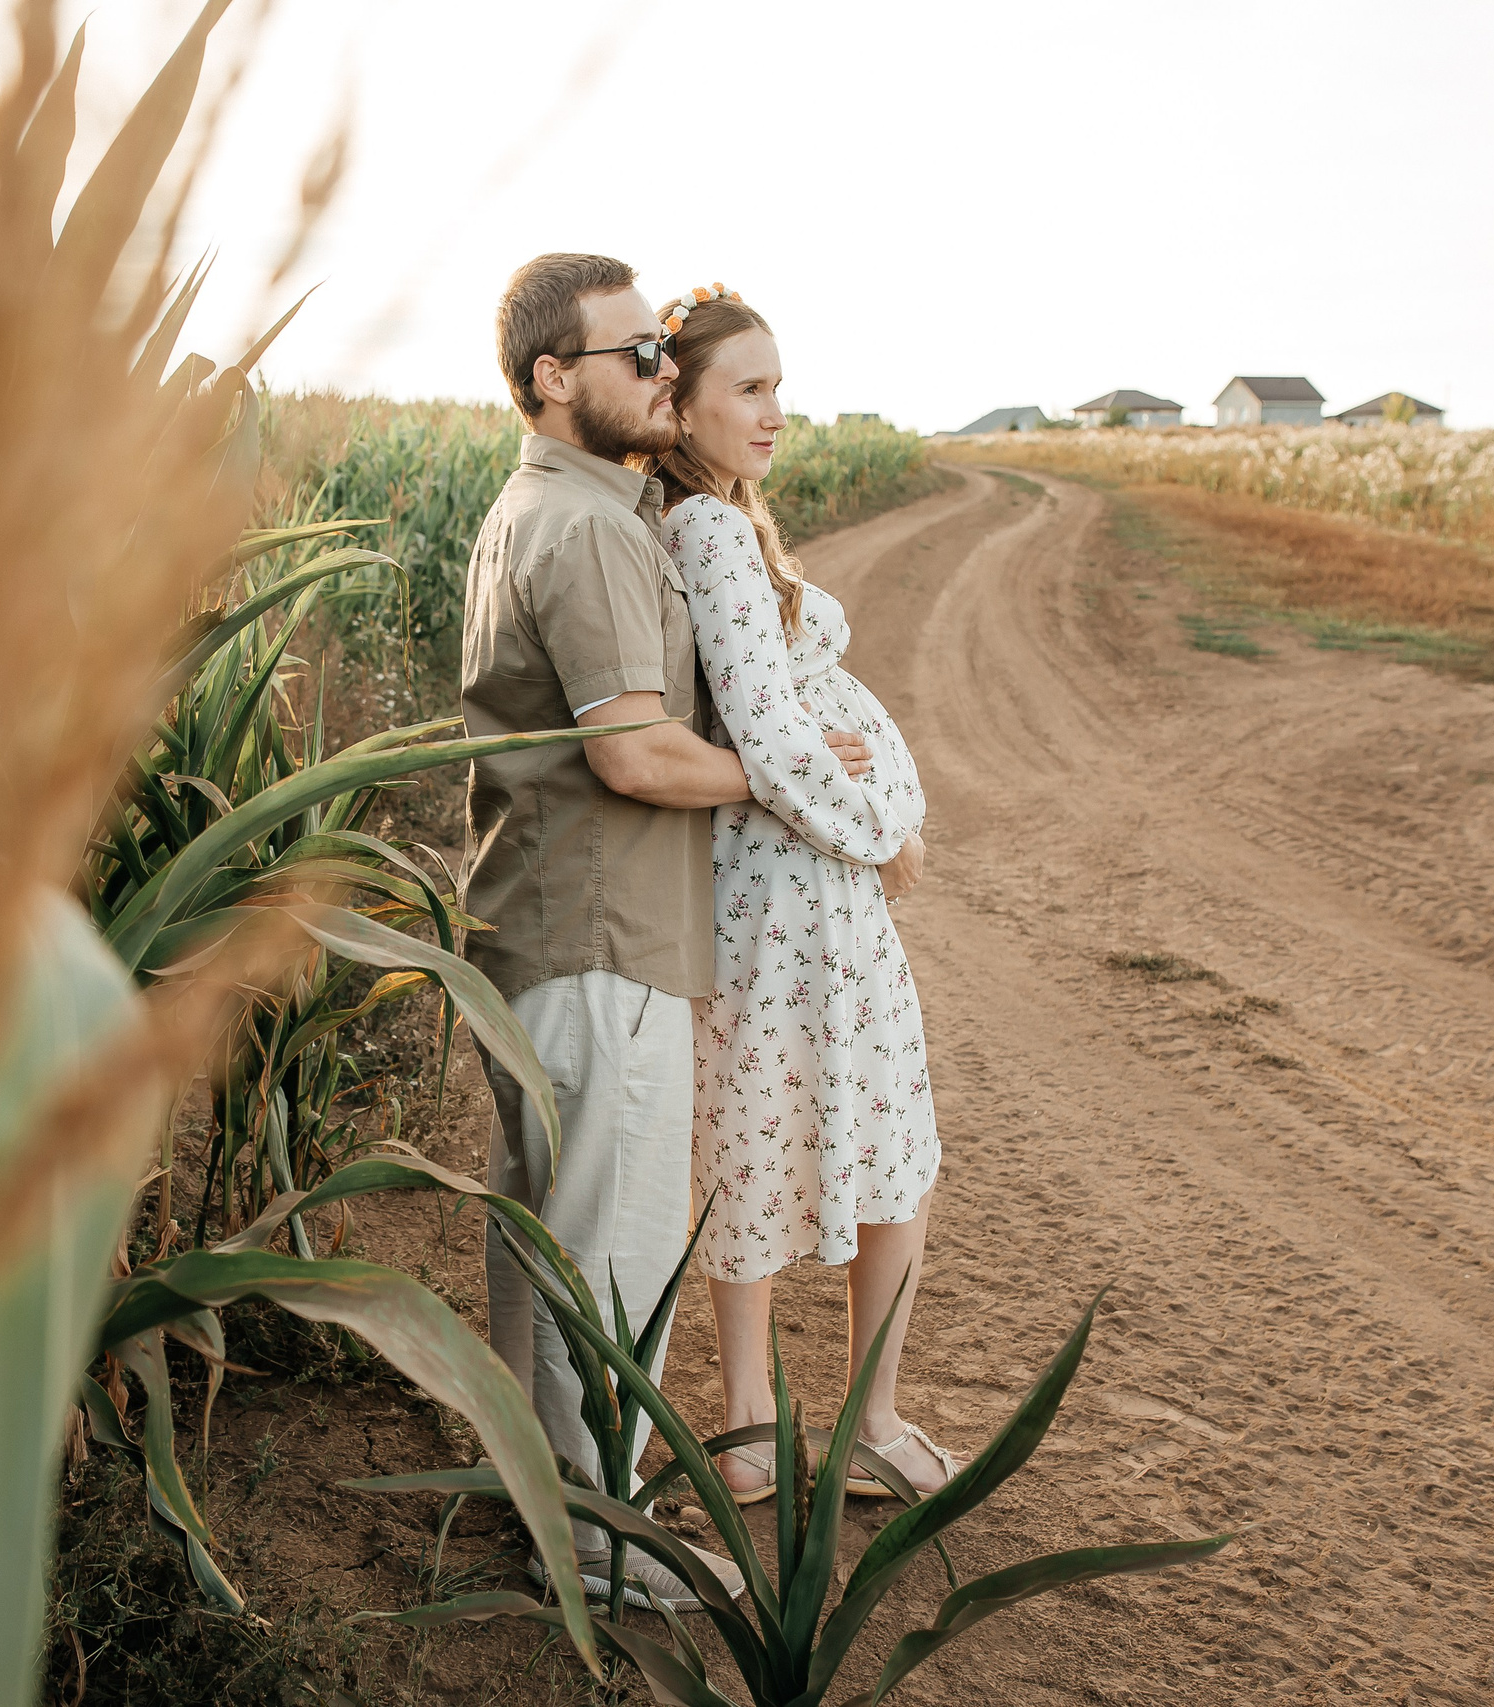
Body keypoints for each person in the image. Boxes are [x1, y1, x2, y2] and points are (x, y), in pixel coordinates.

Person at [459, 255, 871, 1608]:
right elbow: (634, 753)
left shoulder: (548, 507)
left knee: (546, 1236)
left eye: (660, 352)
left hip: (544, 926)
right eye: (634, 354)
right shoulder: (584, 529)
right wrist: (783, 773)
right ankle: (600, 1552)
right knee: (610, 1254)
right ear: (551, 377)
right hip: (600, 933)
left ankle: (544, 1502)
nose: (659, 369)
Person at [640, 283, 957, 1501]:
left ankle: (756, 1427)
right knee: (864, 1133)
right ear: (680, 407)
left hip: (778, 885)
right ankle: (854, 1421)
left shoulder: (716, 518)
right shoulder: (712, 534)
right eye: (750, 389)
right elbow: (772, 741)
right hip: (796, 889)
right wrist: (882, 834)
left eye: (780, 386)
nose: (776, 412)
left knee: (765, 1127)